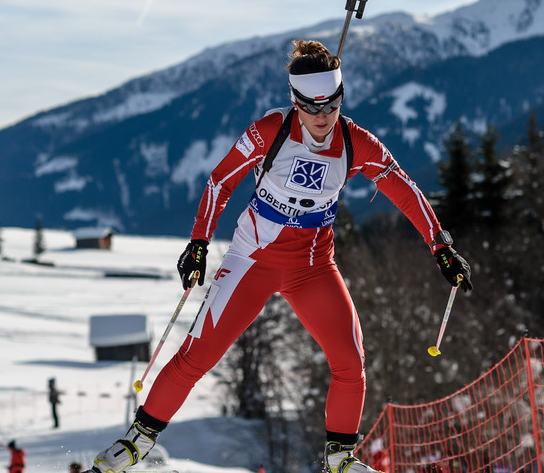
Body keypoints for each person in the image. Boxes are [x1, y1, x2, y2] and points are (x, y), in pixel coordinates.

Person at [89, 40, 471, 473]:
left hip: (313, 268)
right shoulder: (270, 131)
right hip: (254, 259)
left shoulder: (355, 141)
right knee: (198, 356)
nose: (323, 115)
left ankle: (340, 459)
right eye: (312, 106)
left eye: (332, 103)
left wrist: (441, 245)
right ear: (295, 101)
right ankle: (137, 440)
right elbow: (220, 182)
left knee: (350, 360)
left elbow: (403, 187)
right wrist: (198, 243)